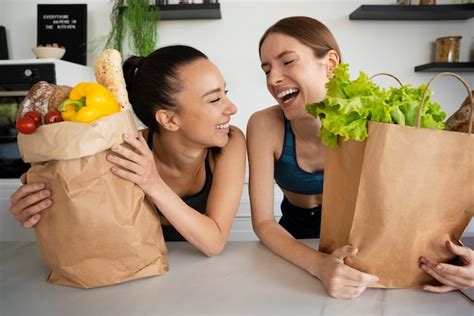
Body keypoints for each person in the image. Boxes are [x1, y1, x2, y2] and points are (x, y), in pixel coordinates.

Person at [246, 16, 474, 298]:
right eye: (266, 69)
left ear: (330, 64)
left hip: (363, 246)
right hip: (294, 244)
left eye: (287, 62)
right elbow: (264, 223)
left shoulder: (377, 121)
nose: (273, 78)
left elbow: (415, 209)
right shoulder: (264, 125)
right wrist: (320, 266)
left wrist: (455, 260)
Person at [9, 45, 246, 257]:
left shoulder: (230, 143)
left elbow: (213, 243)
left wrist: (152, 183)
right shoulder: (120, 149)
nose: (232, 108)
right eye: (215, 99)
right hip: (127, 281)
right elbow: (83, 223)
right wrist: (40, 206)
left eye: (226, 93)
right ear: (169, 119)